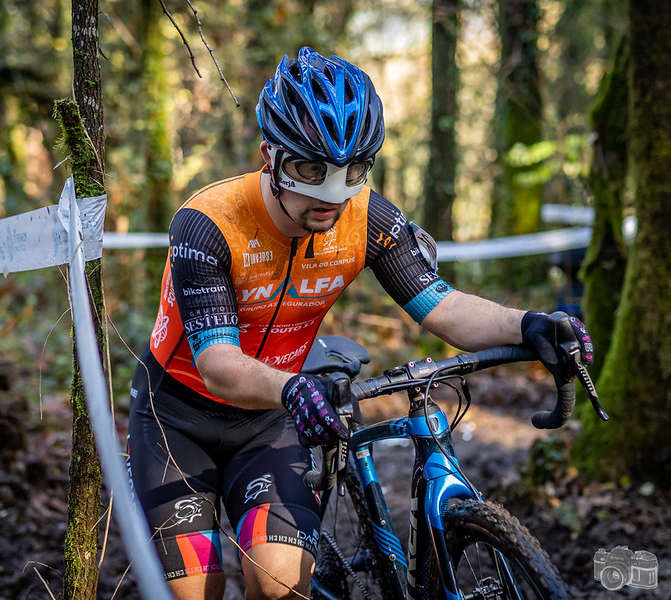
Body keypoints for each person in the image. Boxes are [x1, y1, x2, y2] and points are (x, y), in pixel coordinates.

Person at [126, 47, 594, 600]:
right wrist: (292, 387)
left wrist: (531, 325)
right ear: (269, 156)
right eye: (310, 170)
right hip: (177, 419)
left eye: (352, 171)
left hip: (272, 417)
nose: (332, 194)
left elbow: (444, 307)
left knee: (280, 586)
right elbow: (218, 364)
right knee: (194, 592)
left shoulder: (365, 215)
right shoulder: (208, 222)